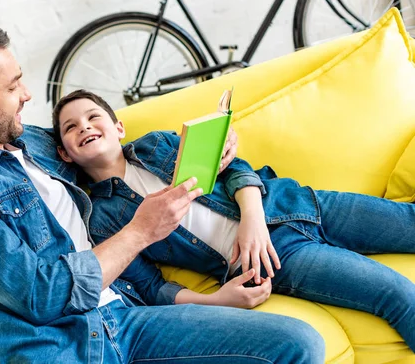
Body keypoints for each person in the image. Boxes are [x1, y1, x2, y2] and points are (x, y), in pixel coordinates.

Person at [0, 23, 326, 364]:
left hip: (126, 316)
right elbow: (41, 295)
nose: (27, 95)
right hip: (62, 347)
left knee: (298, 343)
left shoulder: (32, 140)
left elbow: (107, 140)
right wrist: (140, 232)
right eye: (13, 86)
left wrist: (211, 147)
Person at [52, 89, 415, 352]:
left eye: (92, 116)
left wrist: (252, 217)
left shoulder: (156, 144)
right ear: (64, 153)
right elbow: (149, 288)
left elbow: (235, 168)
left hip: (295, 203)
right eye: (71, 127)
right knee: (396, 293)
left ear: (118, 128)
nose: (84, 127)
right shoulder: (101, 221)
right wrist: (219, 300)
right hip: (276, 257)